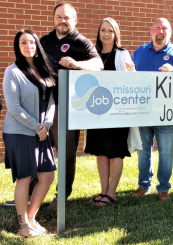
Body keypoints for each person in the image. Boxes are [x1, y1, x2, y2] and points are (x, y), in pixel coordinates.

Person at [29, 3, 102, 209]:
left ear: (75, 20)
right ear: (53, 19)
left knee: (66, 152)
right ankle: (32, 193)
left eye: (67, 17)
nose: (63, 20)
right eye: (59, 16)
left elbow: (98, 64)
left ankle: (61, 195)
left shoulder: (80, 42)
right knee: (37, 151)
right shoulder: (44, 41)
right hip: (41, 105)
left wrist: (77, 64)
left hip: (66, 107)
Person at [131, 18, 173, 201]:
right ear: (151, 31)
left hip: (166, 111)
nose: (160, 31)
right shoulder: (140, 51)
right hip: (142, 110)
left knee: (165, 151)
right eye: (157, 28)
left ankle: (163, 187)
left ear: (169, 32)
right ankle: (144, 185)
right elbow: (131, 77)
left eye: (164, 28)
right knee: (143, 151)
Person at [2, 29, 56, 237]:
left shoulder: (43, 70)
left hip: (41, 131)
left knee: (47, 175)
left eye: (32, 42)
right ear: (18, 47)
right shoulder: (13, 72)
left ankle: (31, 218)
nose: (28, 46)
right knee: (24, 178)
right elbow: (14, 108)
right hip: (20, 132)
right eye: (23, 43)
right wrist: (37, 127)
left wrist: (47, 124)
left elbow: (51, 101)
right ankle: (22, 226)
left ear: (37, 46)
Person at [85, 17, 135, 206]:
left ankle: (112, 193)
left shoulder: (122, 53)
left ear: (116, 34)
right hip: (97, 109)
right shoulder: (93, 53)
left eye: (110, 31)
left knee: (115, 152)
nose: (106, 34)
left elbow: (130, 80)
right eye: (103, 30)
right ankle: (103, 191)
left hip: (117, 110)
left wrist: (132, 71)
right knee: (101, 152)